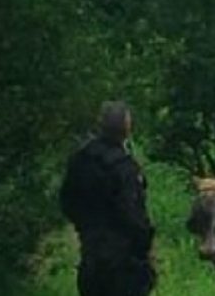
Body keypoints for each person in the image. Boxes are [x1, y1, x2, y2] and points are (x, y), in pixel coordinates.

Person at [59, 101, 156, 296]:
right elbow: (131, 213)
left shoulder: (81, 160)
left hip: (91, 254)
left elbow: (67, 200)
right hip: (124, 262)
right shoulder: (124, 167)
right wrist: (145, 242)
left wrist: (86, 227)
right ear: (127, 129)